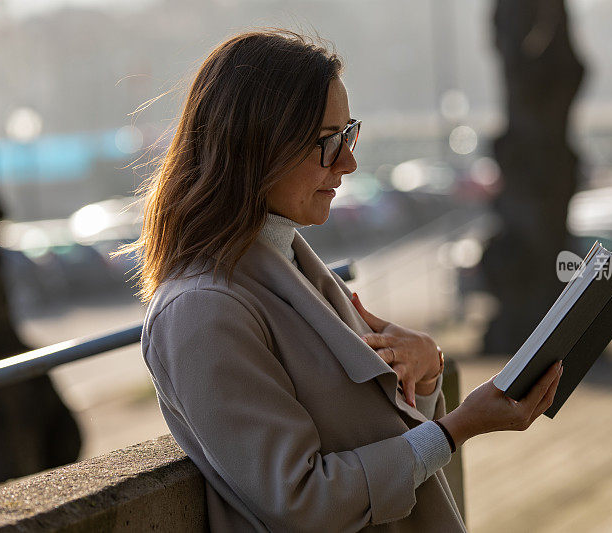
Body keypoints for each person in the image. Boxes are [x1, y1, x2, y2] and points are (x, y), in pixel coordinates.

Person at [127, 29, 562, 532]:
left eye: (348, 134)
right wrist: (457, 428)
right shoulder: (202, 310)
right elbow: (302, 502)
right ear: (257, 144)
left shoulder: (285, 262)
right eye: (328, 143)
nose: (349, 163)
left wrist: (422, 378)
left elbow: (370, 435)